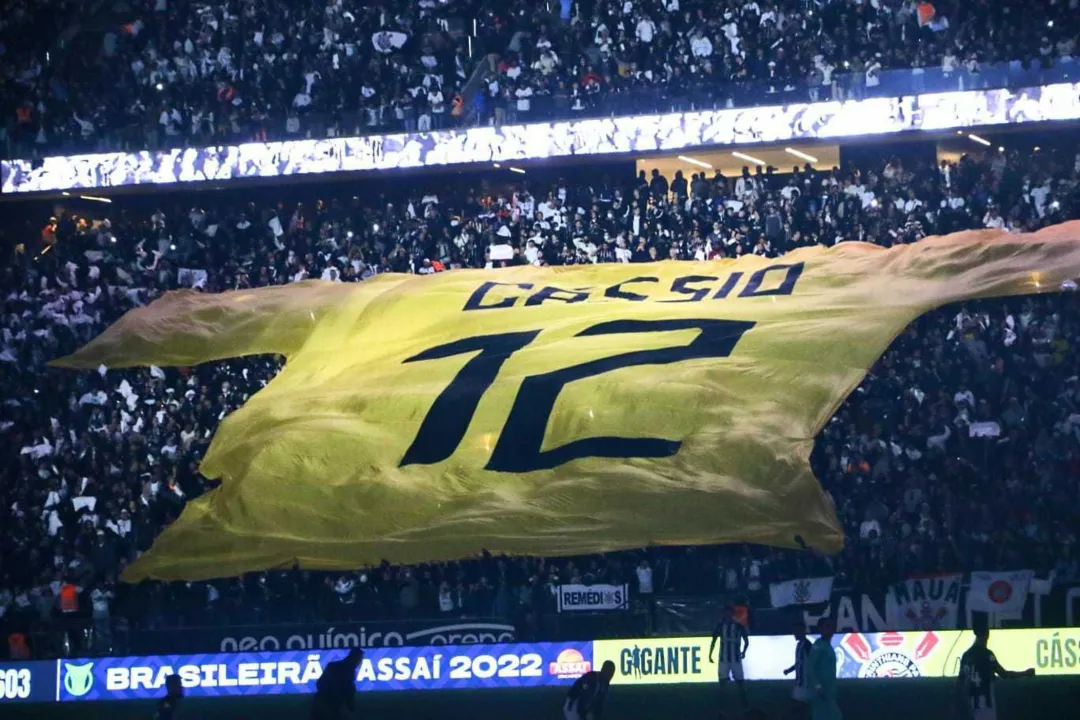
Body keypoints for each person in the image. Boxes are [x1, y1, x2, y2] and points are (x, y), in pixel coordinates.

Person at [956, 619, 1034, 720]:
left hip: (971, 703)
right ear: (987, 634)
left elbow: (960, 682)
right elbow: (1004, 674)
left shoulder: (966, 656)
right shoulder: (987, 655)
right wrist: (1025, 673)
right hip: (985, 703)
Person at [709, 605, 750, 713]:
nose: (727, 615)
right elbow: (713, 640)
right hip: (724, 660)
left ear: (732, 614)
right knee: (722, 685)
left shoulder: (739, 626)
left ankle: (745, 707)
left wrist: (744, 652)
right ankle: (722, 709)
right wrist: (710, 654)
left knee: (740, 684)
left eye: (728, 613)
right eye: (725, 613)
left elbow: (746, 640)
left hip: (736, 659)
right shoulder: (720, 626)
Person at [312, 648, 364, 720]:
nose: (359, 662)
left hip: (326, 705)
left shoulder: (335, 667)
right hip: (328, 706)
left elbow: (319, 683)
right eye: (359, 659)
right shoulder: (344, 671)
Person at [807, 618, 841, 720]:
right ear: (820, 628)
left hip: (829, 692)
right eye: (827, 626)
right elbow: (809, 668)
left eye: (831, 626)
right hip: (821, 693)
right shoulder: (818, 645)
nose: (830, 629)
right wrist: (818, 686)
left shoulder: (827, 646)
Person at [783, 621, 813, 718]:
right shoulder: (799, 645)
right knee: (799, 707)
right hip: (800, 682)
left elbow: (813, 663)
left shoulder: (807, 646)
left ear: (802, 631)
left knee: (797, 707)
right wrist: (789, 670)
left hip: (805, 683)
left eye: (796, 631)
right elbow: (799, 663)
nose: (794, 634)